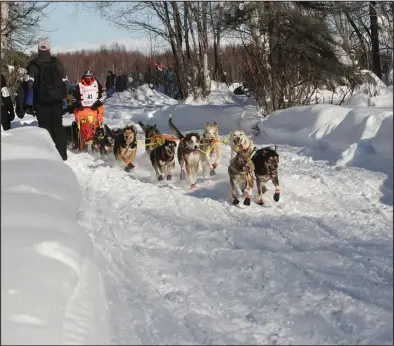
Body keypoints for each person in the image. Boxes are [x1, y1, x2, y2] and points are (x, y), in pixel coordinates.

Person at [26, 39, 68, 160]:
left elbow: (30, 85)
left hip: (41, 101)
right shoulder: (56, 62)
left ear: (38, 49)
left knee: (45, 128)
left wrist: (29, 103)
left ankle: (49, 155)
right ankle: (62, 154)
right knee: (58, 126)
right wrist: (64, 98)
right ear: (49, 49)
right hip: (57, 100)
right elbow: (65, 81)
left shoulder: (33, 64)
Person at [71, 70, 107, 149]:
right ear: (84, 76)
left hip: (95, 110)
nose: (88, 78)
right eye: (86, 76)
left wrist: (97, 103)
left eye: (89, 76)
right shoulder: (79, 85)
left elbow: (104, 96)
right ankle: (79, 142)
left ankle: (99, 142)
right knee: (81, 126)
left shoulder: (97, 84)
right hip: (82, 111)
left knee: (97, 125)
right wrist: (77, 104)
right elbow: (73, 98)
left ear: (92, 76)